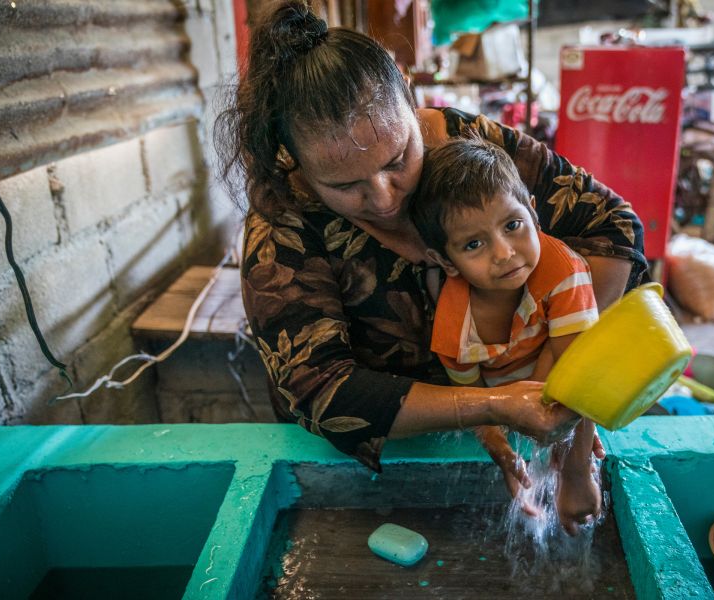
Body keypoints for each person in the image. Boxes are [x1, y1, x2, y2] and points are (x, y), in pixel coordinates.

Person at [216, 0, 648, 534]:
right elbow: (319, 386)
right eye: (344, 185)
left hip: (522, 405)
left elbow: (613, 227)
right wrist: (491, 407)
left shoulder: (471, 146)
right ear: (297, 162)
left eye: (398, 159)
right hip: (372, 458)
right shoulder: (283, 223)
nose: (382, 196)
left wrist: (559, 380)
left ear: (409, 94)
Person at [410, 136, 602, 533]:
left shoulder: (564, 271)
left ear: (533, 212)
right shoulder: (455, 332)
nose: (504, 253)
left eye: (513, 225)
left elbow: (580, 373)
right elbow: (478, 406)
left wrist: (577, 471)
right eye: (474, 244)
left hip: (566, 381)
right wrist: (505, 456)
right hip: (508, 403)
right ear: (445, 261)